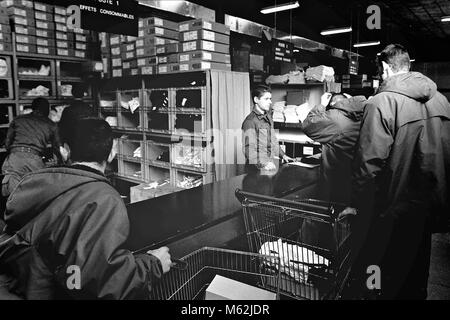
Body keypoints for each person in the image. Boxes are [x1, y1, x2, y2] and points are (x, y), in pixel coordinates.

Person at [0, 118, 172, 299]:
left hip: (16, 289)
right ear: (112, 152)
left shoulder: (32, 183)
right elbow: (99, 283)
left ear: (64, 151)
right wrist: (154, 265)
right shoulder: (103, 198)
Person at [351, 44, 450, 299]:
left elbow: (368, 165)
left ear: (385, 68)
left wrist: (361, 210)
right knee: (417, 280)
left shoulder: (381, 102)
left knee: (386, 280)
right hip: (428, 209)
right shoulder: (441, 100)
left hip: (392, 213)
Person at [302, 92, 367, 204]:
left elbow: (307, 126)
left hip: (335, 181)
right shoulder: (362, 114)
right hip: (355, 178)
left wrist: (321, 105)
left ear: (333, 104)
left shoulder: (335, 117)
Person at [1, 97, 61, 197]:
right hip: (34, 160)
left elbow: (7, 144)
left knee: (12, 197)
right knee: (35, 196)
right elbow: (58, 148)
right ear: (47, 110)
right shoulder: (51, 125)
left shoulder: (18, 120)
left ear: (32, 108)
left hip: (15, 159)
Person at [242, 85, 293, 170]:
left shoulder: (268, 117)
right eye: (266, 99)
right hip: (256, 167)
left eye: (270, 99)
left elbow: (273, 140)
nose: (270, 102)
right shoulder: (250, 121)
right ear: (256, 100)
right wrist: (264, 164)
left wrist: (283, 155)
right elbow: (249, 149)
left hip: (269, 164)